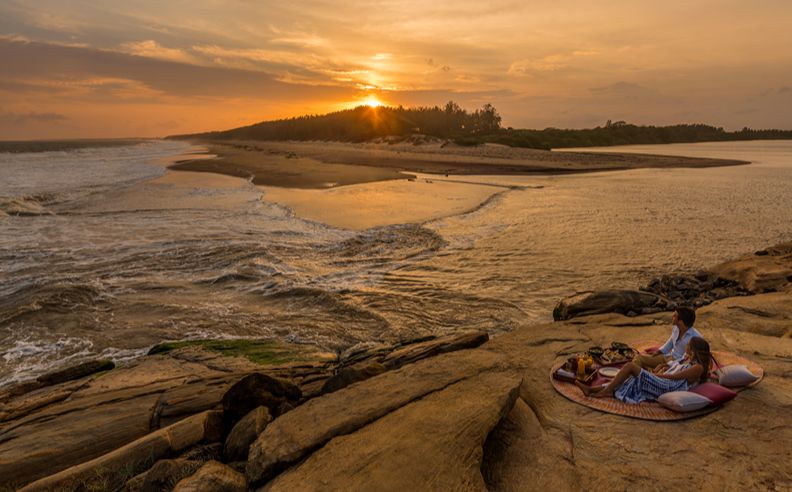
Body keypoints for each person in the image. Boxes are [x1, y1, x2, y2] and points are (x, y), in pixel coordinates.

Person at [575, 337, 711, 403]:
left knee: (630, 367)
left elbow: (675, 378)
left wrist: (656, 376)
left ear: (694, 349)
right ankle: (591, 390)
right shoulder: (688, 359)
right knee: (630, 377)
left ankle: (606, 392)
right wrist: (663, 367)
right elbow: (672, 367)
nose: (686, 346)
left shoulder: (698, 367)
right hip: (665, 381)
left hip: (669, 387)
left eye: (689, 345)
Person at [633, 306, 702, 369]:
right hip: (668, 357)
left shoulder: (695, 338)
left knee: (658, 371)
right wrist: (657, 352)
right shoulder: (676, 328)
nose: (672, 317)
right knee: (639, 358)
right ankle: (631, 380)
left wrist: (668, 365)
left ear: (680, 321)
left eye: (674, 316)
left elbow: (686, 360)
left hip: (677, 364)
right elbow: (669, 343)